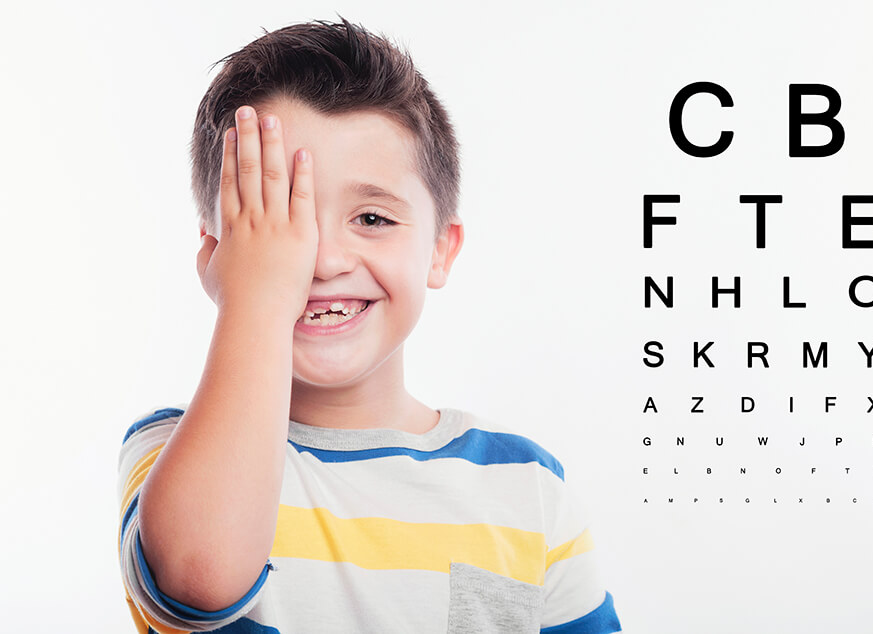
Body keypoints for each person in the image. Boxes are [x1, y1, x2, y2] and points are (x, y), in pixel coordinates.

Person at [117, 17, 621, 633]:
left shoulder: (528, 489)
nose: (323, 260)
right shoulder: (172, 453)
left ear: (441, 249)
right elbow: (200, 579)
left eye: (374, 218)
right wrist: (257, 298)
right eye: (278, 220)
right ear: (217, 255)